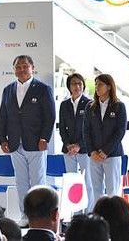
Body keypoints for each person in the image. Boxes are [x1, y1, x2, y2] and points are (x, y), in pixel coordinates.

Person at [0, 55, 56, 226]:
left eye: (25, 66)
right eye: (18, 67)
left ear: (32, 67)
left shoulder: (43, 89)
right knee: (21, 182)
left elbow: (50, 116)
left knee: (38, 183)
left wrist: (45, 138)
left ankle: (41, 219)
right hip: (15, 144)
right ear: (14, 69)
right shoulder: (8, 89)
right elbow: (3, 117)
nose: (21, 70)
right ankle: (25, 217)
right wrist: (2, 139)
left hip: (36, 143)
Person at [84, 74, 127, 202]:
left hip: (112, 154)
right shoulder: (90, 107)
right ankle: (99, 219)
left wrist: (105, 151)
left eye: (100, 84)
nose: (97, 87)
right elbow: (86, 131)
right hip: (94, 155)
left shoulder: (119, 106)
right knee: (96, 189)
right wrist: (92, 151)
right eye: (96, 84)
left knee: (112, 190)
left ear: (109, 86)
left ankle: (113, 220)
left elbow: (120, 131)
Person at [58, 72, 94, 212]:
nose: (77, 86)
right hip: (69, 150)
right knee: (72, 183)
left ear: (83, 86)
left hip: (85, 149)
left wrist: (79, 145)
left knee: (88, 182)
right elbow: (61, 128)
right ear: (69, 86)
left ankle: (89, 211)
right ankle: (76, 213)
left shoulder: (90, 104)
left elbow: (90, 129)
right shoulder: (64, 105)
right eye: (74, 83)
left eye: (79, 83)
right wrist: (68, 145)